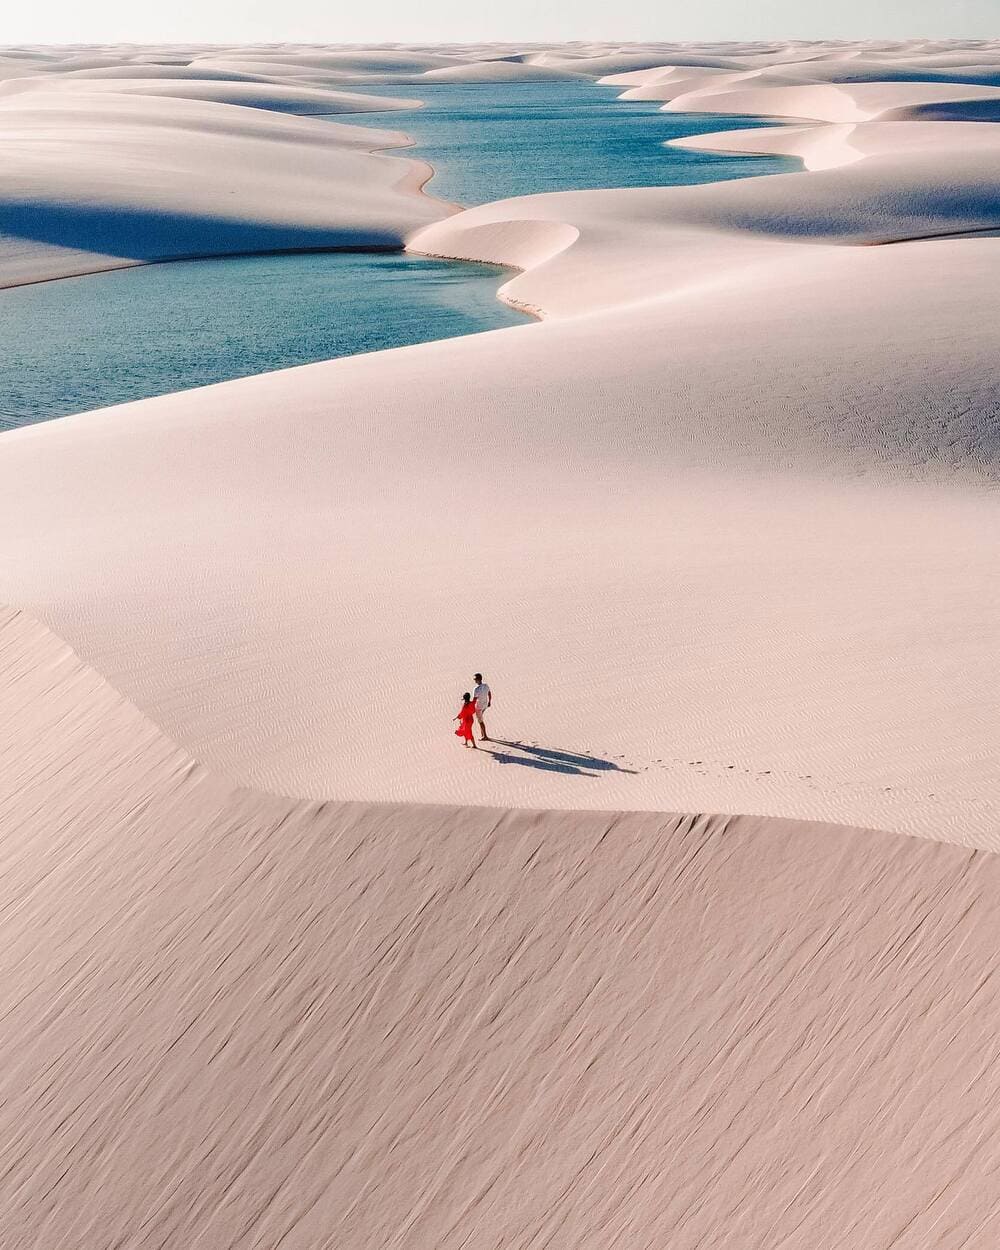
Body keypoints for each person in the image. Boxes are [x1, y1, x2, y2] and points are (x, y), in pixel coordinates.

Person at [472, 673, 492, 741]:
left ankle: (485, 736)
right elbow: (489, 693)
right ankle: (482, 733)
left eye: (475, 679)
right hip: (485, 705)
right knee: (481, 718)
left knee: (480, 721)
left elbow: (474, 699)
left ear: (478, 679)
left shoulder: (476, 689)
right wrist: (489, 701)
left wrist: (471, 706)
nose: (474, 680)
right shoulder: (486, 685)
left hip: (479, 707)